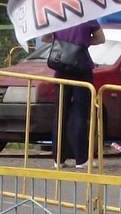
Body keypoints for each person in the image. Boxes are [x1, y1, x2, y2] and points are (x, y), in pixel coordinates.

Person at [42, 19, 103, 167]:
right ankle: (81, 160)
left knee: (60, 113)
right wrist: (84, 42)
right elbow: (100, 39)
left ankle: (58, 159)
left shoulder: (57, 19)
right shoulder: (88, 18)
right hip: (81, 68)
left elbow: (43, 37)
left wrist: (60, 40)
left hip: (61, 66)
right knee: (81, 114)